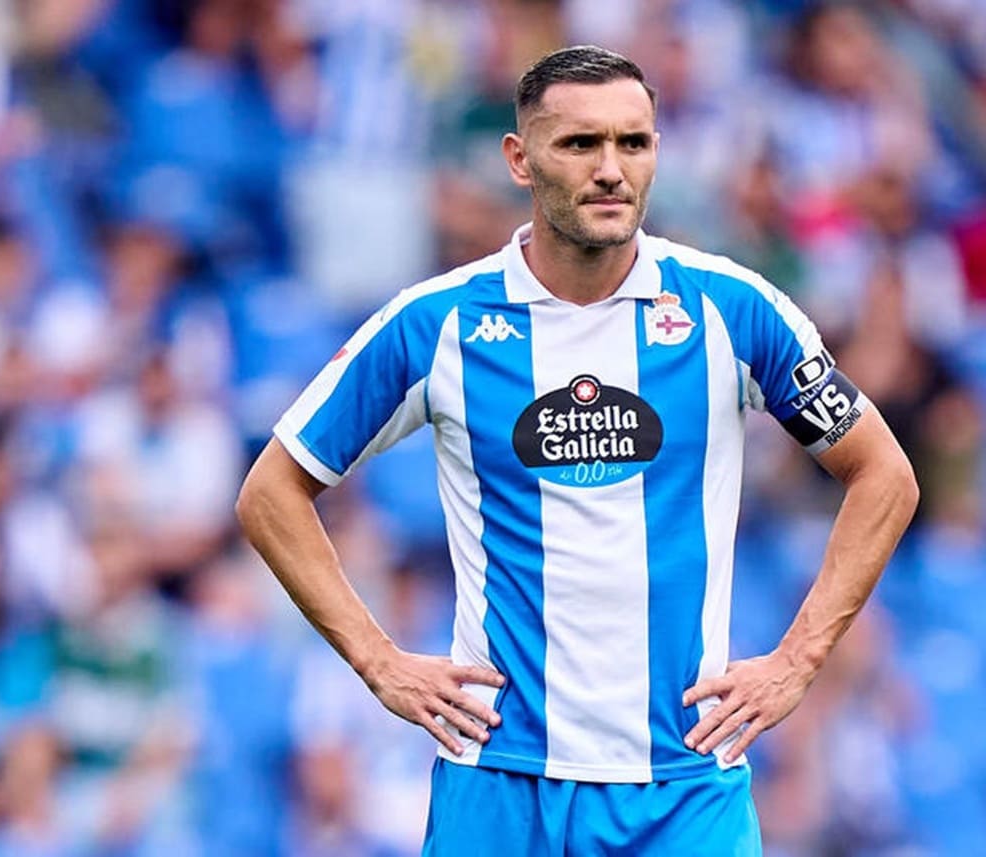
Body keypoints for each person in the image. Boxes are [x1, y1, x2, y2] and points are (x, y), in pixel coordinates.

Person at [236, 45, 918, 856]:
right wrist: (378, 661)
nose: (611, 169)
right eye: (580, 143)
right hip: (499, 781)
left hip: (683, 785)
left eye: (634, 142)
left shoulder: (730, 310)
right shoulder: (438, 323)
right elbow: (270, 492)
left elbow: (884, 474)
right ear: (519, 159)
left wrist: (798, 660)